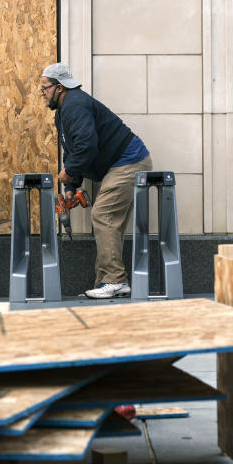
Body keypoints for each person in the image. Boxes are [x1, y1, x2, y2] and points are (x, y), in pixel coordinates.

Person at [39, 63, 152, 299]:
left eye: (44, 88)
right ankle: (105, 283)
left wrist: (68, 171)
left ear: (59, 88)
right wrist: (71, 186)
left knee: (103, 216)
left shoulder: (75, 105)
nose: (42, 93)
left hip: (128, 162)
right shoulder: (64, 111)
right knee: (109, 221)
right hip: (120, 163)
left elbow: (87, 146)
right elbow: (72, 149)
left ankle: (115, 281)